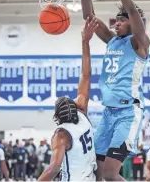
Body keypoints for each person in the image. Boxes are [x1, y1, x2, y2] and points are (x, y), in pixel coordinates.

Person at [81, 0, 149, 181]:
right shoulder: (112, 41)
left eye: (122, 20)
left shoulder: (139, 43)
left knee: (111, 174)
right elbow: (88, 17)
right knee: (97, 172)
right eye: (116, 20)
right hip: (108, 113)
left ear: (132, 22)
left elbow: (133, 11)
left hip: (128, 113)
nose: (117, 22)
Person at [38, 17, 97, 181]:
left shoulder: (61, 134)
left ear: (57, 115)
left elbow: (53, 169)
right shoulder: (82, 112)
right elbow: (86, 75)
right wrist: (85, 42)